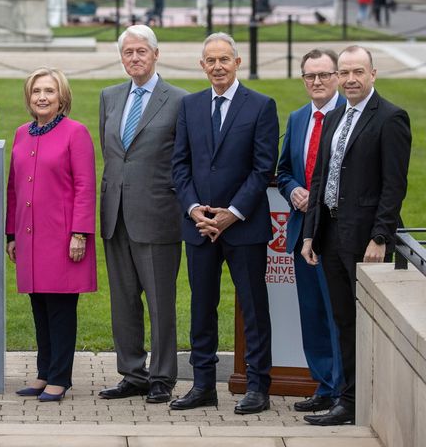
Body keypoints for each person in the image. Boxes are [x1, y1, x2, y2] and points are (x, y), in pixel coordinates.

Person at [301, 46, 411, 426]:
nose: (350, 79)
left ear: (373, 74)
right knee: (343, 321)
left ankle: (371, 399)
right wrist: (309, 234)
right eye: (344, 72)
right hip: (329, 235)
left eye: (357, 72)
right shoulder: (334, 117)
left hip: (365, 239)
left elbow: (393, 186)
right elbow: (319, 180)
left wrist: (380, 237)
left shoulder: (391, 118)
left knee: (368, 324)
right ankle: (348, 401)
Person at [170, 32, 278, 415]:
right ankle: (202, 385)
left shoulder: (261, 106)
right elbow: (179, 165)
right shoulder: (190, 106)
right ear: (202, 66)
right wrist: (193, 208)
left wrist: (232, 213)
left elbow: (264, 167)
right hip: (199, 227)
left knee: (252, 307)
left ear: (237, 63)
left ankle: (258, 386)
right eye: (210, 60)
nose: (217, 66)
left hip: (244, 227)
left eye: (224, 60)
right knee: (202, 307)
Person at [97, 25, 187, 405]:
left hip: (158, 215)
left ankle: (162, 377)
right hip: (115, 215)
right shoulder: (110, 96)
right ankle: (132, 373)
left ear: (155, 54)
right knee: (123, 301)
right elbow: (112, 153)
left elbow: (184, 161)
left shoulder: (179, 100)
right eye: (128, 52)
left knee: (160, 302)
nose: (134, 58)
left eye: (141, 52)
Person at [6, 67, 96, 403]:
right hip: (29, 238)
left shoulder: (76, 133)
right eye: (36, 92)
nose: (42, 97)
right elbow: (14, 188)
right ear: (29, 98)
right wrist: (10, 235)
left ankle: (60, 377)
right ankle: (44, 373)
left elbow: (85, 186)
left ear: (62, 98)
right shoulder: (21, 134)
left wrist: (80, 233)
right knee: (39, 307)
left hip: (62, 238)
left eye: (49, 91)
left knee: (60, 309)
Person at [276, 49, 345, 414]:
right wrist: (292, 190)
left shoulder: (348, 117)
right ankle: (323, 384)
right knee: (312, 312)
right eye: (309, 76)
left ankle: (342, 390)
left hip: (334, 235)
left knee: (337, 313)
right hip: (302, 231)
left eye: (323, 75)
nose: (316, 82)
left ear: (336, 76)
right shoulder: (299, 117)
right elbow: (284, 169)